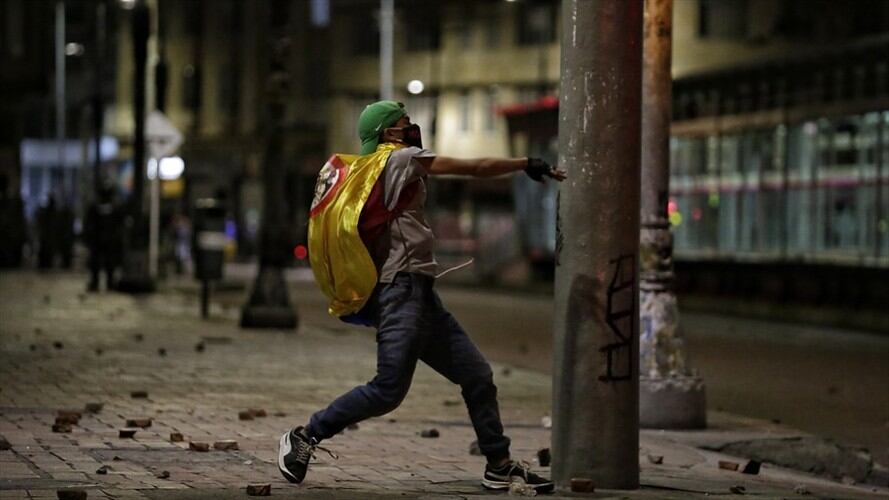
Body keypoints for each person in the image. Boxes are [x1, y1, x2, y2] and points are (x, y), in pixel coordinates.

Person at [278, 100, 565, 494]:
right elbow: (472, 168)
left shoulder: (375, 169)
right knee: (388, 389)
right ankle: (305, 435)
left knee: (477, 375)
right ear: (388, 133)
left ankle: (499, 464)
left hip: (421, 295)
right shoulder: (396, 160)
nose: (411, 127)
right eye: (404, 122)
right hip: (400, 293)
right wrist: (524, 163)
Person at [83, 179, 124, 291]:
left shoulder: (114, 207)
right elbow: (89, 223)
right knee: (96, 262)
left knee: (109, 262)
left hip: (108, 239)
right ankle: (97, 282)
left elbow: (120, 222)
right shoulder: (96, 206)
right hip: (99, 238)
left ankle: (108, 282)